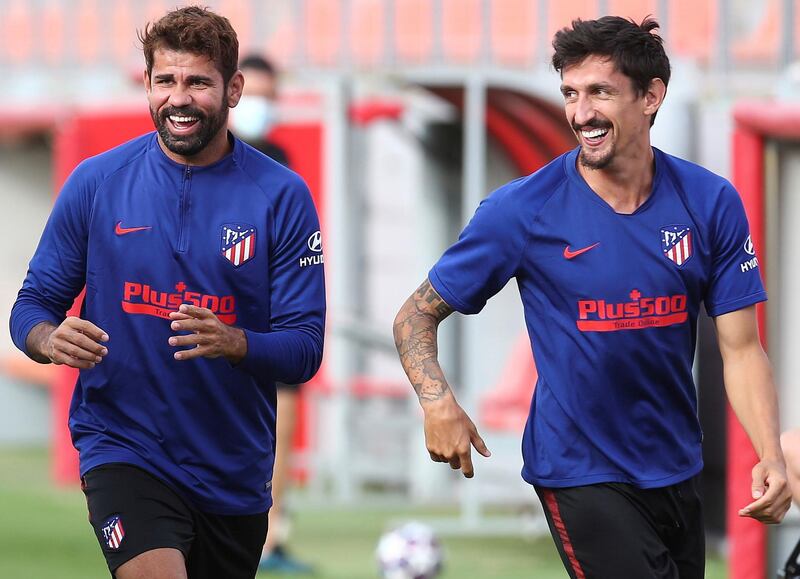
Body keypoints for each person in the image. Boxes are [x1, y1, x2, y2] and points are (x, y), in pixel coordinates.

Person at [393, 15, 791, 578]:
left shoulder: (710, 201)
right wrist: (437, 402)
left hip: (676, 467)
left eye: (600, 92)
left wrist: (769, 454)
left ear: (651, 97)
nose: (581, 113)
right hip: (578, 470)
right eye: (571, 94)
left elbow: (743, 349)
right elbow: (414, 317)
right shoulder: (522, 210)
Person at [9, 6, 325, 579]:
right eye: (165, 81)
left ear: (233, 89)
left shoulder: (282, 196)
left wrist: (235, 342)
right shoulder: (96, 183)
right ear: (149, 85)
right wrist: (49, 338)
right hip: (124, 448)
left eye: (198, 82)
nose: (178, 98)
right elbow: (30, 307)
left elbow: (305, 349)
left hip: (232, 470)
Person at [230, 53, 314, 575]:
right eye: (251, 93)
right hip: (218, 319)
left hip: (273, 318)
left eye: (268, 94)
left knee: (281, 426)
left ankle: (272, 538)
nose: (259, 104)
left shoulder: (281, 159)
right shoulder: (208, 158)